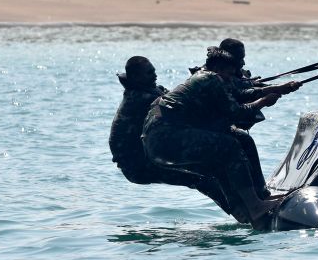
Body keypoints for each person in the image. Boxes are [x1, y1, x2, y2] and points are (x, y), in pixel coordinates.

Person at [142, 48, 290, 227]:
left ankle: (246, 210)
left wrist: (275, 89)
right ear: (219, 69)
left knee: (217, 162)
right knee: (230, 146)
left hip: (155, 146)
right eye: (229, 74)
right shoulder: (211, 78)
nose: (231, 78)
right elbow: (236, 112)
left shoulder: (202, 78)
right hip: (168, 138)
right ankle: (255, 205)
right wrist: (263, 102)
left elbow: (237, 94)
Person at [109, 56, 166, 184]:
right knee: (201, 176)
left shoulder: (146, 90)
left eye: (154, 71)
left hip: (141, 158)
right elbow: (170, 112)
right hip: (137, 168)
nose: (155, 76)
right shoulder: (141, 98)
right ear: (135, 77)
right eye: (150, 73)